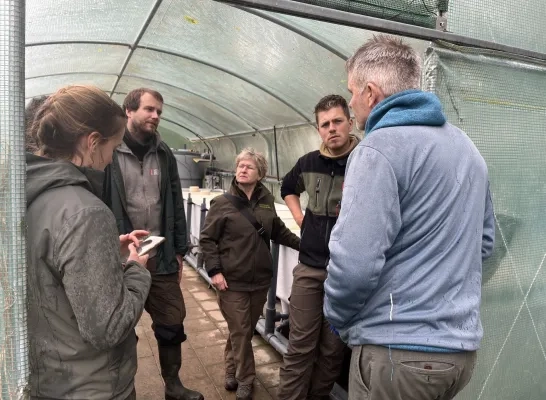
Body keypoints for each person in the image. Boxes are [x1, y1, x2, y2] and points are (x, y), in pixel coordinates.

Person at [323, 35, 495, 400]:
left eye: (352, 92)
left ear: (371, 93)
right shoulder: (467, 148)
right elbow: (484, 243)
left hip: (397, 354)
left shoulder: (378, 150)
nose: (351, 103)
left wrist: (337, 317)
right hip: (459, 355)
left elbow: (354, 263)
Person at [26, 85, 152, 400]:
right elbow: (107, 327)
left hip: (45, 374)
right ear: (93, 142)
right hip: (91, 384)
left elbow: (51, 268)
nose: (111, 160)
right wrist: (136, 269)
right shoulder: (85, 211)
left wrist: (108, 248)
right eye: (113, 147)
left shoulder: (21, 195)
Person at [103, 88, 203, 400]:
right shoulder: (109, 152)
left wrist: (178, 250)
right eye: (149, 109)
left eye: (159, 111)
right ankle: (121, 389)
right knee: (118, 327)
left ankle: (173, 386)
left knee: (172, 320)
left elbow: (175, 203)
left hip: (158, 255)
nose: (156, 116)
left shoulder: (164, 154)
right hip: (119, 256)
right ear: (129, 111)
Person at [200, 148, 300, 400]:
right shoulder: (222, 203)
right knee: (242, 330)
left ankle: (231, 369)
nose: (242, 170)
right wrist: (214, 271)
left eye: (249, 167)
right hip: (231, 281)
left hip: (259, 281)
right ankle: (246, 379)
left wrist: (304, 244)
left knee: (240, 331)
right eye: (240, 166)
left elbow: (276, 230)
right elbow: (207, 239)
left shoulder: (266, 199)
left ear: (260, 173)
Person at [277, 95, 359, 400]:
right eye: (325, 124)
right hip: (310, 268)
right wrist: (300, 217)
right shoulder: (308, 162)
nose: (332, 129)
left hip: (345, 273)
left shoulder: (365, 159)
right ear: (318, 130)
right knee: (300, 345)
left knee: (332, 350)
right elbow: (288, 188)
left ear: (350, 123)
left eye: (338, 121)